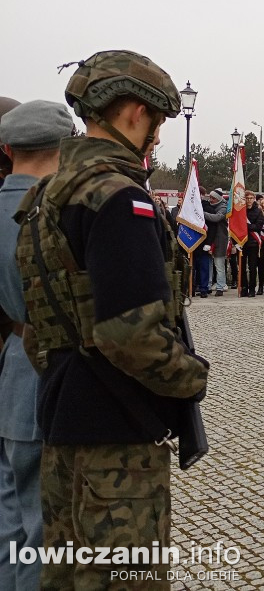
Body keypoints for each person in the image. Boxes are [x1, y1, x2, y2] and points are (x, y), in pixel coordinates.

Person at [16, 51, 209, 589]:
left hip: (62, 419)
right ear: (131, 112)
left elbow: (37, 324)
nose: (156, 138)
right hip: (118, 435)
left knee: (69, 578)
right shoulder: (119, 198)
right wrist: (192, 377)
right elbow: (132, 333)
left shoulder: (43, 196)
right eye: (156, 123)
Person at [0, 99, 74, 590]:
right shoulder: (60, 211)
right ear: (67, 148)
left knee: (9, 524)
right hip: (45, 375)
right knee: (45, 535)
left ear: (7, 150)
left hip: (10, 372)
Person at [204, 188, 229, 295]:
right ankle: (208, 284)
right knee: (209, 265)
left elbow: (216, 218)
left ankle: (220, 287)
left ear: (218, 199)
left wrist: (201, 213)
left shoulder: (223, 208)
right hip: (209, 239)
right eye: (210, 197)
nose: (211, 200)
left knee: (219, 265)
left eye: (213, 198)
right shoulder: (210, 207)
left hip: (220, 239)